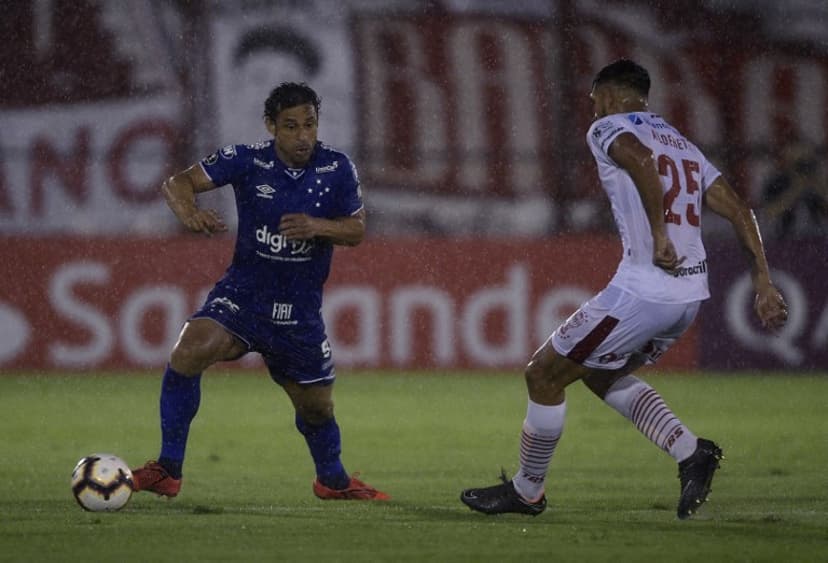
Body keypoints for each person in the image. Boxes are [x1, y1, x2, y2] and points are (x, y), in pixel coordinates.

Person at [460, 59, 788, 520]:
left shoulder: (607, 127)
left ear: (608, 95)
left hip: (643, 292)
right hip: (688, 298)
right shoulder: (680, 141)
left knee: (542, 374)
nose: (593, 109)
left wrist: (658, 233)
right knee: (598, 371)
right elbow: (736, 206)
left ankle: (527, 491)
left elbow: (639, 159)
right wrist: (763, 280)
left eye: (594, 100)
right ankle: (691, 452)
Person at [131, 82, 389, 501]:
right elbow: (177, 183)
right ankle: (168, 468)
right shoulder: (245, 160)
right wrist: (190, 213)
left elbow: (357, 229)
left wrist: (317, 226)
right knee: (190, 349)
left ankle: (333, 481)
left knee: (317, 409)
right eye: (291, 126)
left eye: (310, 124)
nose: (304, 135)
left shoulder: (337, 168)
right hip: (243, 298)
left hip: (299, 314)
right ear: (271, 126)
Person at [761, 141, 828, 239]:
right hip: (784, 242)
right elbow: (768, 214)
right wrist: (795, 189)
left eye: (806, 160)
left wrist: (818, 187)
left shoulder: (817, 181)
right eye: (798, 162)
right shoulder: (776, 183)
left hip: (818, 240)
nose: (803, 167)